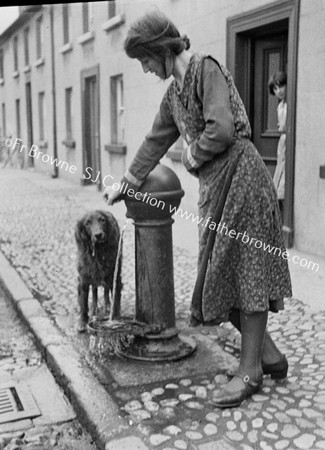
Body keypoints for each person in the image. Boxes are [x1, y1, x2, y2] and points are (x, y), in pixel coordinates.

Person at [104, 10, 292, 408]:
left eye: (145, 60)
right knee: (220, 277)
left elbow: (221, 130)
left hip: (243, 179)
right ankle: (270, 356)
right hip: (217, 189)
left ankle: (251, 370)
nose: (145, 69)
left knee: (247, 272)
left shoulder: (205, 68)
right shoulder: (173, 96)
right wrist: (127, 182)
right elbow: (154, 142)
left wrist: (190, 156)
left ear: (159, 49)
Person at [268, 71, 287, 218]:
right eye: (275, 88)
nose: (278, 91)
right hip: (282, 142)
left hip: (288, 142)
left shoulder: (289, 105)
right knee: (279, 171)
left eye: (281, 86)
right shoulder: (280, 106)